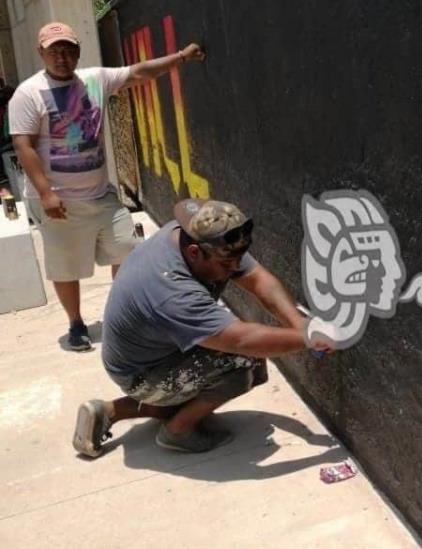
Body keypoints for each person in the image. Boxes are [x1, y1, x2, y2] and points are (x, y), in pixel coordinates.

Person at [72, 198, 337, 457]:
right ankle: (177, 431)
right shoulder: (173, 292)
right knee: (245, 361)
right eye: (225, 264)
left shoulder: (197, 234)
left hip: (146, 356)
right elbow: (241, 341)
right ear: (195, 253)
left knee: (212, 375)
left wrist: (298, 321)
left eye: (238, 258)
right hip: (141, 373)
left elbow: (257, 278)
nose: (235, 267)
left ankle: (110, 411)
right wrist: (307, 337)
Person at [9, 22, 205, 351]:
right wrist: (46, 193)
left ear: (78, 51)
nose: (62, 56)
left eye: (68, 49)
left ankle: (122, 315)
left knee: (129, 252)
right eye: (54, 50)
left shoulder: (94, 79)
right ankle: (75, 324)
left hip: (102, 195)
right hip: (58, 202)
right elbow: (24, 146)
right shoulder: (27, 93)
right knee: (66, 267)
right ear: (40, 52)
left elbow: (140, 73)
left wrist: (181, 57)